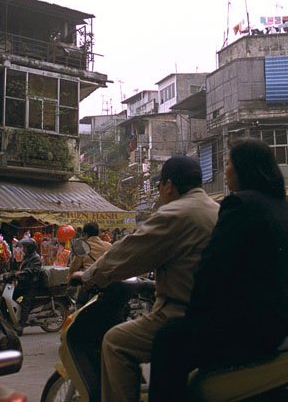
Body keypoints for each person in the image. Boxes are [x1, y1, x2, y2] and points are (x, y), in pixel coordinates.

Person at [149, 138, 288, 401]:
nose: (225, 170)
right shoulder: (284, 210)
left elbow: (213, 268)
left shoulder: (240, 204)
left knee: (168, 341)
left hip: (253, 324)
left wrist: (195, 315)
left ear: (243, 168)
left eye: (227, 163)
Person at [72, 155, 219, 402]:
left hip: (180, 315)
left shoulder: (174, 213)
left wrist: (88, 276)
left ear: (169, 185)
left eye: (159, 185)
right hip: (215, 312)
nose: (159, 192)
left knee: (115, 342)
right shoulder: (217, 209)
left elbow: (131, 251)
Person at [14, 236, 43, 332]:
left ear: (30, 248)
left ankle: (21, 325)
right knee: (13, 297)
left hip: (31, 285)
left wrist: (22, 272)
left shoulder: (36, 258)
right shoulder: (27, 257)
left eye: (25, 247)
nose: (24, 249)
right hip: (23, 283)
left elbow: (34, 270)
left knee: (25, 303)